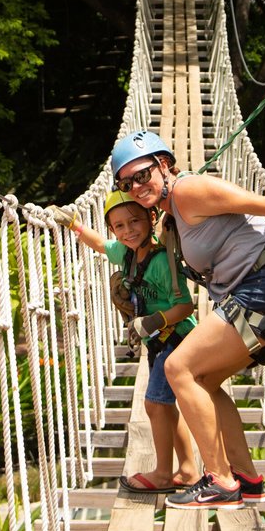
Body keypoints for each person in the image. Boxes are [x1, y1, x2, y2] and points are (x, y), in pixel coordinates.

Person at [108, 130, 265, 509]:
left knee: (178, 368)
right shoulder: (172, 216)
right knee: (206, 381)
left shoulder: (187, 191)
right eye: (126, 183)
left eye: (143, 174)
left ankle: (219, 481)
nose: (136, 186)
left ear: (164, 166)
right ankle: (246, 478)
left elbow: (251, 201)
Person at [48, 190, 199, 493]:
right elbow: (101, 245)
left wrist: (155, 320)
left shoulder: (161, 261)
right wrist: (74, 224)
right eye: (119, 226)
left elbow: (186, 307)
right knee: (167, 407)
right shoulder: (127, 253)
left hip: (176, 338)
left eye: (134, 222)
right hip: (157, 340)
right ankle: (188, 470)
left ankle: (162, 474)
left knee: (155, 404)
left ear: (151, 218)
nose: (128, 230)